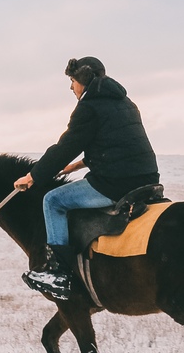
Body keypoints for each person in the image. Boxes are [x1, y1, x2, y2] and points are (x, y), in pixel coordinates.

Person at [15, 57, 160, 299]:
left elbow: (65, 147)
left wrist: (33, 176)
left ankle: (58, 272)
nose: (71, 87)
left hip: (116, 182)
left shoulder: (88, 107)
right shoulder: (125, 102)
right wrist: (79, 165)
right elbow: (118, 145)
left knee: (53, 201)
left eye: (72, 81)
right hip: (148, 178)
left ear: (82, 80)